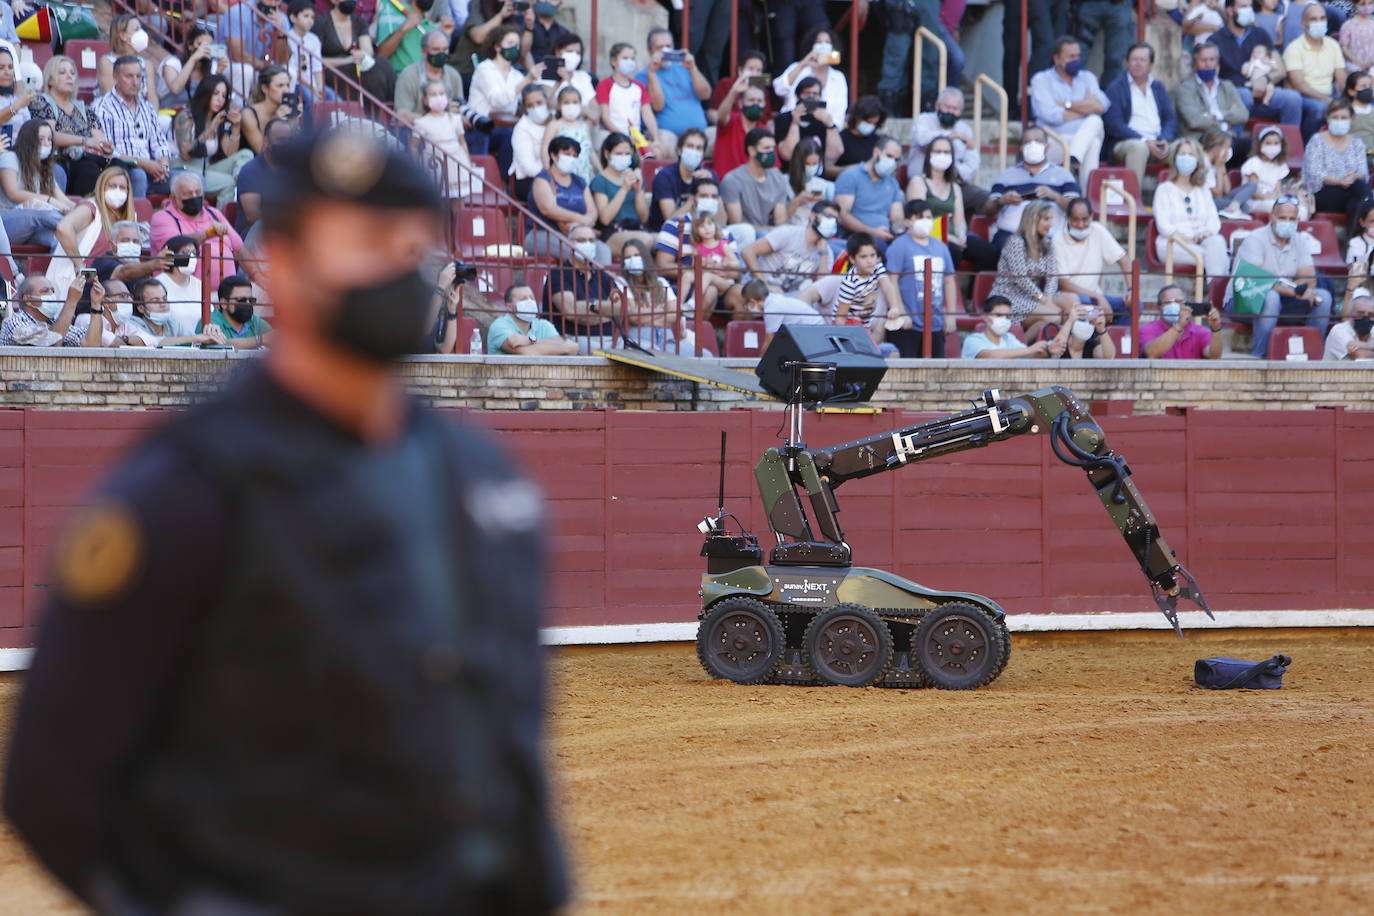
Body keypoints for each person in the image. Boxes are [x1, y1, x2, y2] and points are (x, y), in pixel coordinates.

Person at [7, 126, 571, 911]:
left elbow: (504, 734)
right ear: (287, 266)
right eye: (367, 241)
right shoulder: (183, 490)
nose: (400, 267)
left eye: (414, 245)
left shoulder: (486, 480)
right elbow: (51, 775)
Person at [1229, 194, 1333, 356]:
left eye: (1292, 219)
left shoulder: (1300, 240)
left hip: (1285, 298)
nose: (1287, 223)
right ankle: (1260, 358)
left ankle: (1313, 356)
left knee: (1323, 297)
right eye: (1283, 218)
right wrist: (1295, 291)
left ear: (1298, 221)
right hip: (1243, 300)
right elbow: (1259, 282)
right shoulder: (1255, 239)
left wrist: (1304, 290)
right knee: (1270, 297)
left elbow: (1308, 277)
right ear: (1271, 217)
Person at [988, 199, 1077, 340]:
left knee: (1071, 301)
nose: (1051, 224)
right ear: (1033, 220)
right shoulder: (1016, 242)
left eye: (1051, 219)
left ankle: (1055, 348)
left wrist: (1048, 297)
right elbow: (1020, 277)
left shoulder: (1047, 244)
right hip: (1008, 297)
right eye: (1046, 219)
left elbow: (1052, 275)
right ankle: (1022, 350)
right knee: (1053, 316)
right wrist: (1042, 298)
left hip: (1032, 297)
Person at [28, 55, 116, 197]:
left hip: (87, 156)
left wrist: (103, 146)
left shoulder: (84, 107)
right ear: (50, 80)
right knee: (88, 169)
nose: (69, 76)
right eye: (62, 72)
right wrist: (85, 141)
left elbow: (98, 138)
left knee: (119, 168)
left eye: (72, 73)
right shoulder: (41, 102)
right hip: (59, 158)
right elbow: (50, 136)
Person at [1029, 36, 1108, 187]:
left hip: (1079, 139)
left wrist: (1066, 104)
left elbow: (1101, 107)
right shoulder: (1041, 80)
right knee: (1093, 141)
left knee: (1095, 121)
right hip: (1054, 140)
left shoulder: (1087, 77)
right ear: (1057, 59)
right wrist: (1086, 107)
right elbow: (1050, 115)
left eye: (1078, 56)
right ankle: (1087, 201)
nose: (1076, 60)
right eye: (1071, 57)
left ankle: (1073, 157)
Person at [1210, 0, 1304, 127]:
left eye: (1250, 6)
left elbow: (1280, 70)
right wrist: (1246, 86)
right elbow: (1212, 79)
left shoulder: (1260, 33)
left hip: (1264, 94)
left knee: (1292, 98)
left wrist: (1264, 79)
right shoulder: (1215, 40)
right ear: (1230, 11)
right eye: (1243, 7)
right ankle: (1233, 145)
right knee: (1244, 95)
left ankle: (1289, 143)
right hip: (1234, 95)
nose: (1249, 10)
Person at [884, 199, 959, 357]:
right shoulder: (899, 245)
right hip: (907, 325)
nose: (925, 221)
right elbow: (892, 281)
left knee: (936, 375)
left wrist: (951, 315)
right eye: (919, 217)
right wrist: (902, 313)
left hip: (935, 323)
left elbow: (949, 281)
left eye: (928, 217)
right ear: (907, 222)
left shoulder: (941, 247)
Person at [92, 56, 174, 200]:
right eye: (129, 76)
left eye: (138, 77)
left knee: (192, 178)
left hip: (152, 170)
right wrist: (144, 164)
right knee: (139, 175)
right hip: (122, 171)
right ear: (115, 78)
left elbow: (160, 143)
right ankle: (135, 221)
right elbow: (107, 152)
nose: (135, 82)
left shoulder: (146, 106)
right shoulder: (102, 107)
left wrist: (163, 166)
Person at [984, 125, 1080, 246]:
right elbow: (988, 210)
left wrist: (1055, 196)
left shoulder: (1063, 175)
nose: (1033, 145)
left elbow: (1077, 210)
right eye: (1028, 142)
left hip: (1051, 236)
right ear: (1021, 147)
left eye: (1038, 141)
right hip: (1010, 235)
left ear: (1047, 145)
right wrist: (1002, 200)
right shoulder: (1006, 176)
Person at [149, 171, 245, 291]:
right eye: (188, 194)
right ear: (173, 198)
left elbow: (239, 249)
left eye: (198, 192)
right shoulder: (162, 218)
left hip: (224, 295)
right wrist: (207, 234)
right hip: (184, 294)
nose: (194, 197)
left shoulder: (214, 213)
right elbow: (176, 248)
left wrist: (257, 276)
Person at [50, 165, 137, 296]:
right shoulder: (90, 208)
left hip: (115, 281)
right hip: (86, 280)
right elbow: (63, 228)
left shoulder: (130, 216)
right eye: (112, 186)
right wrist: (80, 265)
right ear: (101, 187)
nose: (117, 191)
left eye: (122, 188)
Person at [1103, 42, 1181, 188]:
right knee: (1139, 148)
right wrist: (1145, 140)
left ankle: (1177, 199)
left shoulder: (1158, 87)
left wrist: (1165, 139)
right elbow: (1114, 124)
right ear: (1127, 62)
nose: (1138, 64)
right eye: (1134, 59)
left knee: (1184, 149)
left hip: (1157, 142)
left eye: (1143, 60)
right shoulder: (1116, 87)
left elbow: (1170, 120)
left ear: (1151, 64)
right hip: (1127, 142)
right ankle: (1132, 200)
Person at [1153, 137, 1230, 282]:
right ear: (1174, 158)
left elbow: (1214, 223)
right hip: (1172, 244)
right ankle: (1217, 298)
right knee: (1217, 257)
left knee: (1217, 241)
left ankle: (1215, 295)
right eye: (1182, 154)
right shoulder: (1164, 190)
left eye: (1191, 155)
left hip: (1202, 241)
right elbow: (1164, 226)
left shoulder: (1203, 190)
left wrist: (1205, 234)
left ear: (1198, 161)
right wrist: (1188, 238)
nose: (1186, 158)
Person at [172, 75, 252, 209]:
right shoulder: (186, 115)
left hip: (205, 168)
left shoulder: (219, 118)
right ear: (205, 93)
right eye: (216, 94)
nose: (220, 99)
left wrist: (236, 127)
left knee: (246, 153)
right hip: (183, 168)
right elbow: (186, 153)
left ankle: (241, 181)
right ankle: (219, 225)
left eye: (223, 95)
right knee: (228, 182)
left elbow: (229, 153)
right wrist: (211, 129)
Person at [1054, 197, 1130, 323]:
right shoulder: (1057, 239)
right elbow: (1064, 284)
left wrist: (1131, 290)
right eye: (1075, 220)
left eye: (1084, 219)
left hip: (1095, 297)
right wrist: (1098, 297)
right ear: (1067, 218)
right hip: (1074, 299)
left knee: (1134, 305)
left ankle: (1111, 340)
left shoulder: (1098, 230)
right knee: (1084, 302)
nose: (1080, 225)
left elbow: (1124, 260)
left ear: (1091, 217)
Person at [739, 199, 838, 296]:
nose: (831, 222)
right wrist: (764, 285)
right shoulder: (789, 233)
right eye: (828, 216)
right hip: (754, 289)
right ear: (812, 216)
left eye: (835, 220)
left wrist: (823, 255)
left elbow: (821, 287)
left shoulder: (826, 252)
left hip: (784, 298)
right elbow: (748, 252)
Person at [546, 222, 620, 348]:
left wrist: (590, 307)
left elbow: (620, 307)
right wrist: (606, 314)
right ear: (569, 244)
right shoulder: (558, 274)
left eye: (591, 240)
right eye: (581, 240)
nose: (587, 244)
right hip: (575, 339)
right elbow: (571, 312)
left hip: (613, 339)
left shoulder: (603, 275)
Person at [0, 120, 69, 251]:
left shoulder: (44, 167)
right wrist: (50, 201)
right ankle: (71, 224)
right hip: (5, 223)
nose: (47, 144)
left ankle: (66, 271)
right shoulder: (9, 157)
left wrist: (85, 209)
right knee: (38, 214)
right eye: (41, 139)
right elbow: (13, 193)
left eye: (49, 139)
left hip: (32, 230)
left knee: (61, 239)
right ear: (28, 140)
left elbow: (64, 200)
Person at [637, 29, 710, 153]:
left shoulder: (684, 67)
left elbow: (705, 94)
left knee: (723, 136)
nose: (665, 51)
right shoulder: (643, 76)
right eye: (660, 47)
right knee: (663, 143)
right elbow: (658, 106)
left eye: (668, 46)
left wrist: (693, 68)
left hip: (699, 133)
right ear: (649, 50)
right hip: (669, 135)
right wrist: (652, 72)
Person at [1175, 42, 1250, 160]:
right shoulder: (1186, 88)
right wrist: (1224, 124)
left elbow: (1243, 115)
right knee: (1220, 148)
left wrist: (1216, 115)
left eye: (1212, 60)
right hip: (1200, 140)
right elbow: (1194, 121)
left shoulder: (1227, 86)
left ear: (1217, 62)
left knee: (1251, 145)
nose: (1208, 64)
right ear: (1195, 63)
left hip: (1227, 139)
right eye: (1203, 60)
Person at [313, 0, 397, 105]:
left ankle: (389, 107)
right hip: (332, 70)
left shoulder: (359, 21)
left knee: (383, 64)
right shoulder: (321, 23)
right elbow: (316, 59)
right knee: (369, 74)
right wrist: (347, 60)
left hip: (355, 66)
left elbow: (368, 51)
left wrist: (361, 55)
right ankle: (372, 113)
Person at [527, 134, 597, 258]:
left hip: (578, 234)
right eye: (567, 154)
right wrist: (581, 219)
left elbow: (592, 213)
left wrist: (578, 225)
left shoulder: (580, 182)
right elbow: (548, 209)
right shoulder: (543, 179)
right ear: (554, 155)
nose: (571, 158)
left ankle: (599, 278)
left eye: (574, 156)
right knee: (576, 254)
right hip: (543, 234)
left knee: (603, 251)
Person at [1304, 98, 1371, 226]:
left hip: (1351, 193)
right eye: (1335, 117)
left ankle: (1350, 242)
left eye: (1344, 117)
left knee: (1355, 205)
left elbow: (1363, 172)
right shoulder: (1316, 141)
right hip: (1322, 195)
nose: (1340, 120)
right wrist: (1340, 181)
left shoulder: (1357, 143)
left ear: (1351, 118)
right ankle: (1370, 205)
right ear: (1328, 118)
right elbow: (1313, 174)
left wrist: (1353, 176)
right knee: (1359, 190)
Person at [1285, 2, 1348, 138]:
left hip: (1329, 96)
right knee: (1320, 109)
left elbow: (1341, 78)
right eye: (1313, 19)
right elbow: (1299, 85)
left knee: (1359, 105)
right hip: (1305, 98)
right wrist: (1325, 99)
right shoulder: (1294, 48)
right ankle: (1309, 148)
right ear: (1303, 24)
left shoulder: (1333, 45)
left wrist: (1349, 97)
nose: (1319, 22)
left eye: (1322, 18)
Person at [833, 135, 904, 255]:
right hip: (855, 237)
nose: (892, 162)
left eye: (896, 160)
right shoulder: (851, 176)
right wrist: (872, 232)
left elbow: (897, 218)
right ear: (876, 152)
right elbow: (842, 215)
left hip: (884, 236)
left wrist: (897, 230)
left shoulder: (892, 183)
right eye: (889, 156)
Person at [598, 43, 670, 159]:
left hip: (637, 136)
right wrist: (623, 137)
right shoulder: (605, 85)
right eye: (625, 58)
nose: (630, 61)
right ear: (614, 61)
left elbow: (647, 114)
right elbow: (605, 117)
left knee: (658, 152)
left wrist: (656, 138)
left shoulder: (639, 86)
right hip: (613, 135)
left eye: (632, 58)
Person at [721, 128, 794, 242]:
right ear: (751, 150)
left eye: (772, 148)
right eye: (766, 148)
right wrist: (769, 230)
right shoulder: (732, 180)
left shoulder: (778, 179)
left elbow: (780, 221)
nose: (771, 152)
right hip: (743, 238)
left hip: (769, 236)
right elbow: (737, 224)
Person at [772, 28, 850, 128]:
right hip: (793, 126)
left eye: (827, 42)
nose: (823, 45)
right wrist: (803, 64)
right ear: (812, 46)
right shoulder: (797, 67)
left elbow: (840, 111)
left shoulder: (838, 77)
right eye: (819, 42)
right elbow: (779, 90)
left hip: (824, 130)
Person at [591, 132, 651, 255]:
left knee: (663, 240)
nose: (623, 157)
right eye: (619, 153)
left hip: (637, 228)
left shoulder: (634, 177)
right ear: (607, 154)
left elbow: (644, 218)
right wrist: (624, 189)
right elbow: (605, 219)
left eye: (627, 154)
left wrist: (638, 190)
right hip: (612, 233)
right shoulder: (600, 181)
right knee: (645, 240)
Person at [235, 117, 295, 233]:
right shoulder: (250, 171)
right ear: (266, 141)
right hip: (253, 235)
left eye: (289, 140)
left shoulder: (291, 169)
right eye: (281, 140)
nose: (286, 145)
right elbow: (253, 216)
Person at [395, 28, 465, 125]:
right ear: (424, 52)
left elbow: (459, 107)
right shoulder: (408, 76)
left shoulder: (453, 75)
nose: (441, 54)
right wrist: (437, 114)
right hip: (417, 131)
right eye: (436, 49)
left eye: (445, 49)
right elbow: (401, 116)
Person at [487, 281, 579, 355]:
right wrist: (564, 348)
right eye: (523, 299)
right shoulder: (499, 325)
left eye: (531, 298)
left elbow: (560, 344)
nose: (529, 301)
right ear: (510, 307)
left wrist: (529, 340)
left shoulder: (543, 325)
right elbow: (526, 352)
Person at [650, 128, 714, 230]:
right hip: (666, 232)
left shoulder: (708, 176)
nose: (694, 151)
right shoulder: (665, 177)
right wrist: (693, 199)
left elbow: (721, 222)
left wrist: (711, 188)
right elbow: (670, 220)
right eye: (690, 146)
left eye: (699, 148)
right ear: (679, 150)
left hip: (702, 231)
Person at [1140, 283, 1225, 358]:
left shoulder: (1199, 331)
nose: (1173, 305)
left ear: (1186, 305)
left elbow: (1214, 356)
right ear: (1158, 307)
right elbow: (1151, 353)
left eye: (1178, 302)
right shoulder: (1148, 329)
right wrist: (1179, 326)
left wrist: (1216, 329)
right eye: (1168, 302)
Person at [961, 294, 1058, 358]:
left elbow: (1029, 356)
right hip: (982, 389)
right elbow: (990, 356)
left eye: (1007, 316)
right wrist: (1030, 349)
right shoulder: (973, 340)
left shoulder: (1010, 339)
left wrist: (1047, 351)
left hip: (1004, 387)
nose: (1004, 320)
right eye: (999, 315)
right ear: (986, 317)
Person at [0, 274, 85, 346]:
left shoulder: (52, 322)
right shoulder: (14, 321)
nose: (51, 295)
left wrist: (95, 306)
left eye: (53, 291)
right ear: (28, 300)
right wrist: (71, 301)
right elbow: (50, 346)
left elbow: (89, 343)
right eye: (45, 291)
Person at [775, 77, 843, 167]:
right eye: (807, 93)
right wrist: (794, 124)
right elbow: (787, 155)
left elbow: (835, 154)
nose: (811, 97)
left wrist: (830, 125)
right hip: (790, 172)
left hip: (817, 173)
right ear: (798, 96)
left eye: (815, 94)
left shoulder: (824, 120)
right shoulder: (783, 119)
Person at [96, 14, 160, 109]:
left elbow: (152, 98)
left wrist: (153, 119)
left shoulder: (146, 64)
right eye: (136, 29)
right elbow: (110, 98)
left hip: (141, 116)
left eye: (141, 28)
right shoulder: (107, 63)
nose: (142, 33)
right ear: (123, 36)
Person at [158, 26, 226, 112]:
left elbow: (211, 100)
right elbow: (175, 89)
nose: (203, 49)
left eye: (208, 46)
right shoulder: (173, 62)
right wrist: (193, 59)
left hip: (195, 115)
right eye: (200, 44)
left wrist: (219, 71)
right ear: (190, 45)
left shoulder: (213, 66)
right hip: (168, 112)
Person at [199, 272, 273, 349]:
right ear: (223, 303)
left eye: (251, 300)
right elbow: (217, 344)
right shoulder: (209, 321)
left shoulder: (255, 321)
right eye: (242, 300)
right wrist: (259, 340)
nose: (247, 304)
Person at [712, 83, 770, 178]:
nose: (756, 104)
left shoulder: (764, 131)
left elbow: (773, 166)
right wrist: (734, 92)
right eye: (751, 100)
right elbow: (721, 116)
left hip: (752, 186)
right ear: (740, 103)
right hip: (725, 184)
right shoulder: (730, 121)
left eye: (759, 101)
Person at [1075, 0, 1136, 88]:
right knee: (1076, 56)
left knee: (1116, 60)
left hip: (1119, 5)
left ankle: (1109, 98)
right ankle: (1074, 95)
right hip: (1089, 5)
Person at [542, 85, 595, 184]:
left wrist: (600, 171)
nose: (571, 106)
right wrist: (548, 172)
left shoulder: (584, 126)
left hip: (583, 175)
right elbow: (545, 149)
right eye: (566, 102)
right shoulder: (555, 125)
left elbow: (590, 152)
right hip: (562, 176)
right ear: (558, 106)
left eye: (575, 102)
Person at [547, 33, 600, 124]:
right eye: (570, 51)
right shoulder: (546, 74)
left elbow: (594, 108)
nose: (574, 56)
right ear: (558, 52)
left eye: (578, 53)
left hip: (583, 126)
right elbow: (548, 104)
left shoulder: (583, 76)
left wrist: (568, 81)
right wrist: (585, 111)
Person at [510, 83, 551, 198]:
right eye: (530, 105)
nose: (536, 108)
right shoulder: (522, 128)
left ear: (547, 101)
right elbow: (528, 167)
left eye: (539, 103)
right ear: (525, 108)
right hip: (531, 180)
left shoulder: (556, 119)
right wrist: (552, 178)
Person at [283, 0, 327, 106]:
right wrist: (313, 88)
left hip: (314, 84)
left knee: (334, 99)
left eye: (312, 17)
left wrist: (320, 88)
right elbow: (293, 70)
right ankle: (312, 123)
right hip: (297, 83)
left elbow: (317, 66)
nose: (310, 21)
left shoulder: (314, 39)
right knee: (310, 99)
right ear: (293, 18)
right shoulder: (287, 38)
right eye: (306, 16)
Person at [156, 233, 205, 328]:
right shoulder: (159, 283)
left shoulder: (198, 284)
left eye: (194, 253)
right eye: (185, 252)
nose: (191, 256)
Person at [373, 0, 436, 73]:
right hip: (398, 78)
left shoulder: (433, 28)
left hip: (426, 80)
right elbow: (381, 56)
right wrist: (402, 30)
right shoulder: (393, 13)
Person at [1241, 124, 1291, 214]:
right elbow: (1253, 193)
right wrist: (1273, 198)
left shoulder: (1280, 165)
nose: (1272, 146)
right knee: (1280, 208)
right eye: (1268, 143)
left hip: (1273, 200)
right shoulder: (1254, 163)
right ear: (1260, 145)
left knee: (1297, 208)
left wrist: (1280, 197)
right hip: (1255, 202)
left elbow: (1278, 191)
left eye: (1276, 143)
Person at [784, 138, 831, 227]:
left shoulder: (823, 185)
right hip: (790, 229)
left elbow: (830, 216)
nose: (811, 167)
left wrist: (823, 204)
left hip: (814, 231)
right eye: (807, 163)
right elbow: (779, 218)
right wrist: (798, 201)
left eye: (815, 163)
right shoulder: (783, 181)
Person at [833, 95, 886, 173]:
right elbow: (827, 170)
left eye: (874, 124)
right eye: (867, 122)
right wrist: (855, 169)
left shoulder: (878, 141)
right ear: (857, 117)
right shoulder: (840, 139)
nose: (870, 126)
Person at [1322, 286, 1374, 358]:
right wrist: (1370, 346)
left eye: (1370, 314)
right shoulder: (1339, 330)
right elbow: (1360, 355)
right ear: (1350, 315)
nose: (1365, 318)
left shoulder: (1372, 330)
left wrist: (1366, 346)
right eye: (1360, 313)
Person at [526, 0, 574, 65]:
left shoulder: (563, 32)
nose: (547, 1)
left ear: (560, 4)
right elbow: (523, 54)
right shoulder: (524, 24)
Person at [1341, 0, 1374, 72]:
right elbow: (1344, 48)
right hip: (1354, 66)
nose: (1367, 7)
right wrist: (1360, 63)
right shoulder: (1348, 25)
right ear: (1355, 5)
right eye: (1362, 4)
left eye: (1370, 3)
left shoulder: (1372, 23)